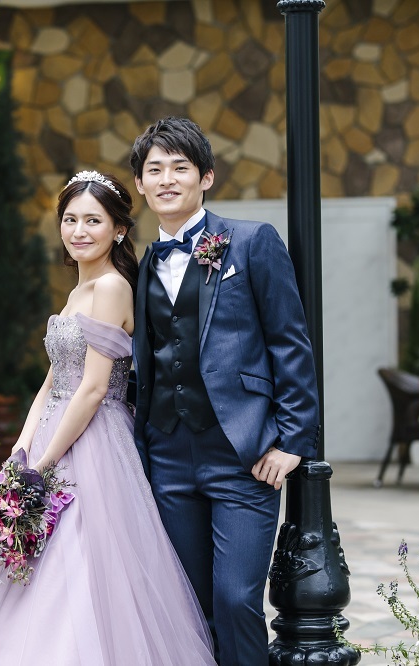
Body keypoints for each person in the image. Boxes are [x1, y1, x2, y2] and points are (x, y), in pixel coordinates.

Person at [0, 170, 216, 665]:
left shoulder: (112, 287)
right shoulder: (77, 291)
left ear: (119, 229)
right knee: (30, 560)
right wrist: (21, 450)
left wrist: (43, 465)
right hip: (53, 432)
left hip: (93, 438)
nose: (79, 231)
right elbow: (52, 381)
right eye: (70, 219)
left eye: (93, 220)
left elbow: (92, 389)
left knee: (83, 560)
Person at [129, 116, 320, 665]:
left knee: (236, 600)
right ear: (140, 184)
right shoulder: (144, 264)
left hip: (242, 454)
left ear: (206, 177)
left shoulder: (253, 242)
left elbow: (290, 343)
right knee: (190, 605)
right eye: (154, 170)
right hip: (167, 455)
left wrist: (293, 440)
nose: (167, 179)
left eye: (180, 167)